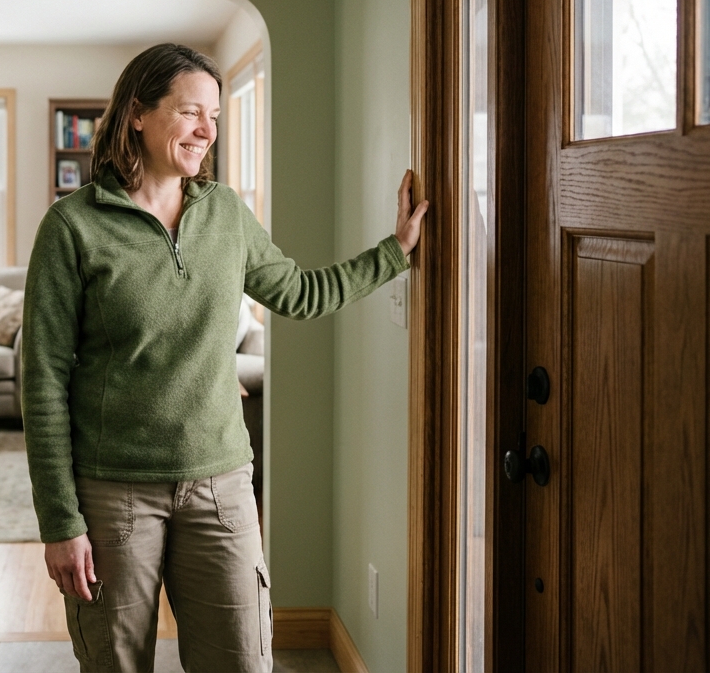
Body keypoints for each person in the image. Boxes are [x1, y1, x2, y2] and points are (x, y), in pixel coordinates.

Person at [21, 44, 428, 673]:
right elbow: (42, 380)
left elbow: (300, 292)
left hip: (221, 486)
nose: (207, 130)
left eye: (213, 115)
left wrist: (394, 252)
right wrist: (59, 520)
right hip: (113, 493)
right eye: (190, 112)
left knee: (242, 662)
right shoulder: (72, 227)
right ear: (137, 113)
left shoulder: (226, 214)